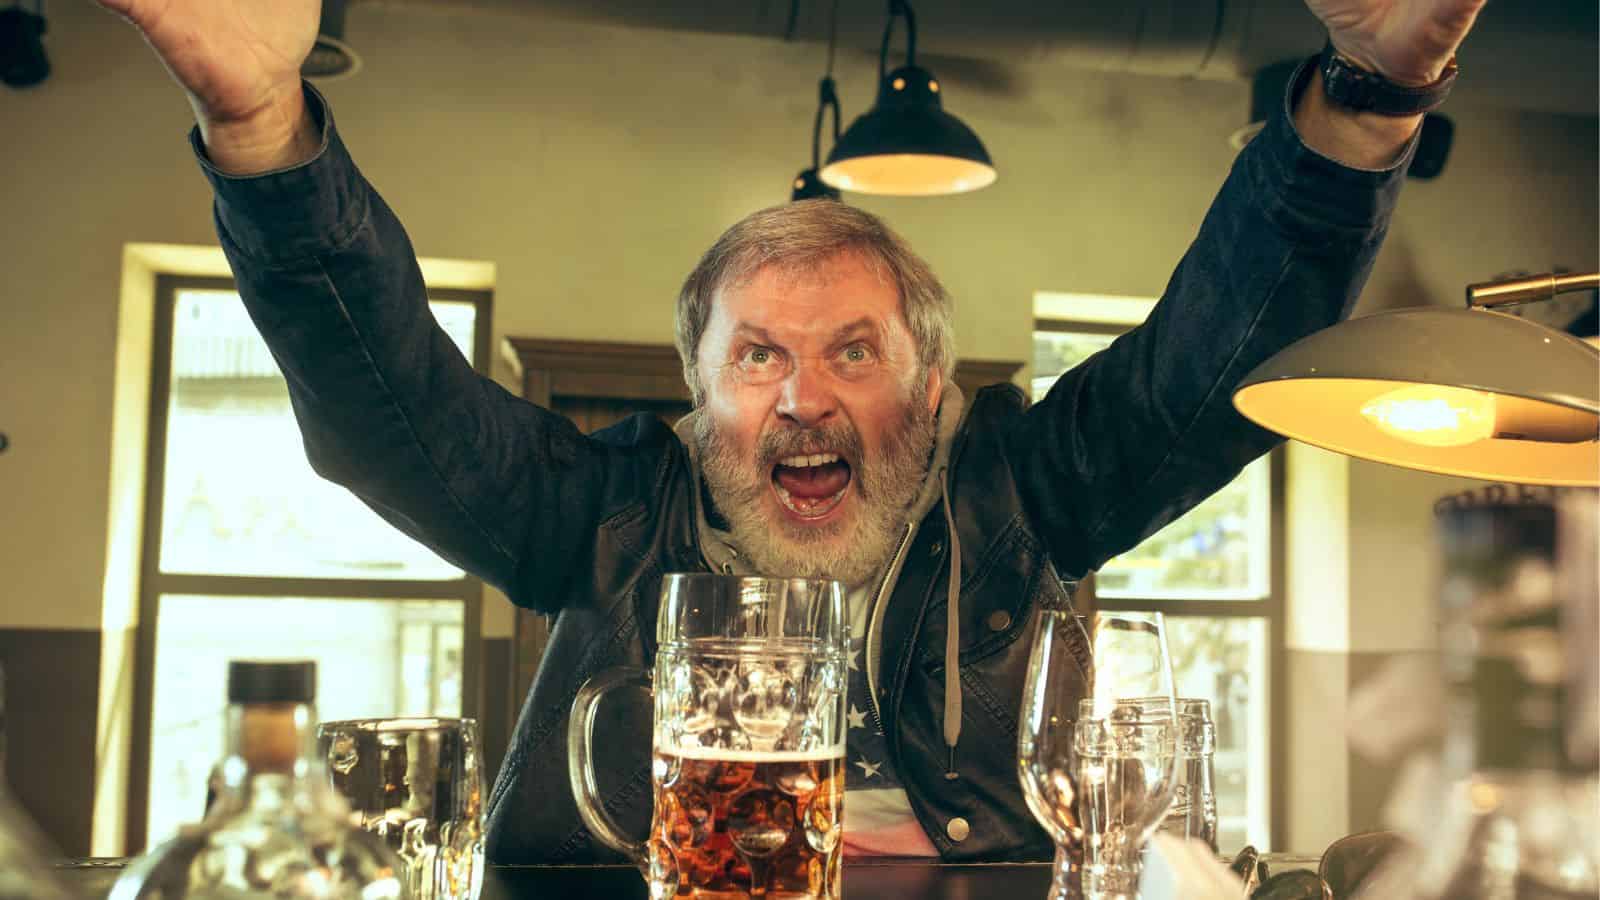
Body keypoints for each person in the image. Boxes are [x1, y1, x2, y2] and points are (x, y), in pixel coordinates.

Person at [97, 0, 1484, 863]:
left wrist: (1365, 107)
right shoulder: (603, 510)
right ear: (697, 396)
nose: (805, 402)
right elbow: (388, 408)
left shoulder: (1028, 488)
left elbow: (1211, 367)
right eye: (757, 356)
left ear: (931, 394)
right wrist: (265, 126)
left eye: (853, 353)